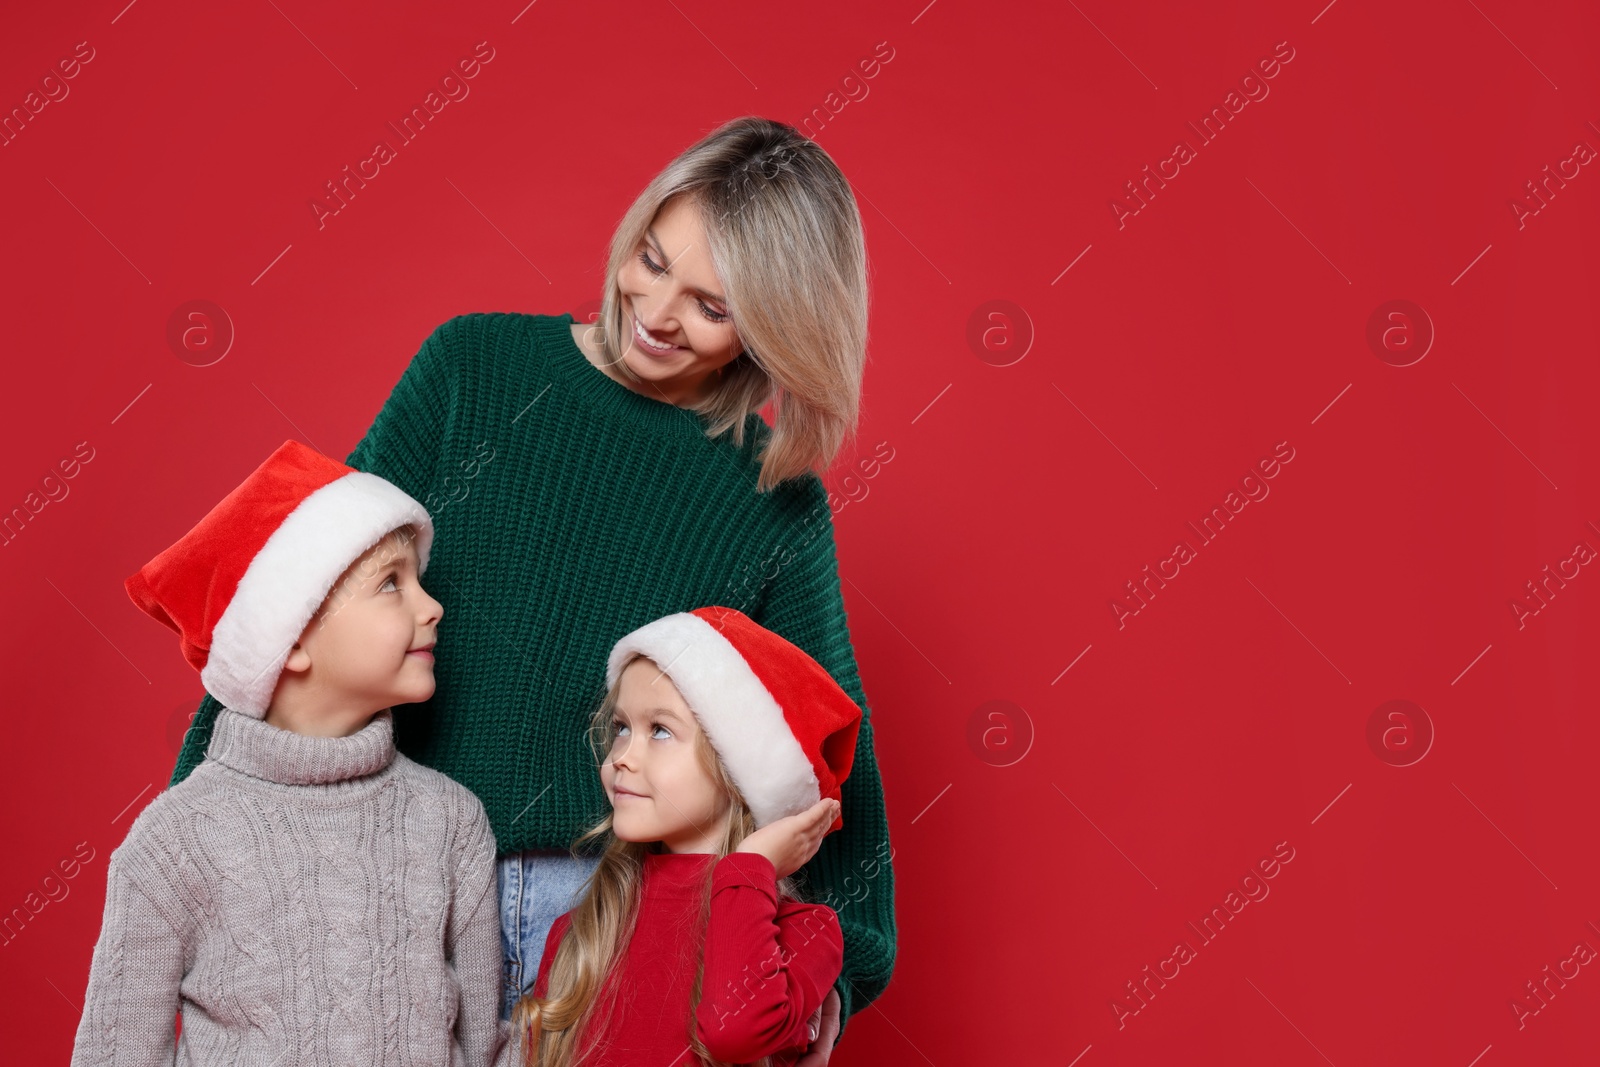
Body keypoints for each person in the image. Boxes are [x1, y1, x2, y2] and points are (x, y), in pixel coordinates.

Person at [167, 115, 896, 1061]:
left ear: (776, 326)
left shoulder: (771, 496)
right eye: (651, 257)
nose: (658, 309)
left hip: (612, 935)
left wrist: (830, 977)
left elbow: (829, 757)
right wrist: (201, 832)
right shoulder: (473, 369)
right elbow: (309, 592)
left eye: (713, 306)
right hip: (399, 888)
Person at [73, 439, 504, 1066]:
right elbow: (115, 1056)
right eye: (391, 583)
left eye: (421, 581)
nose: (432, 606)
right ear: (291, 638)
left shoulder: (451, 822)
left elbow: (483, 1048)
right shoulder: (176, 840)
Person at [505, 606, 858, 1067]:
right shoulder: (582, 931)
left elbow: (734, 1033)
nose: (621, 758)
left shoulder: (807, 932)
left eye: (660, 731)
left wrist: (749, 868)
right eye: (621, 728)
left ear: (737, 771)